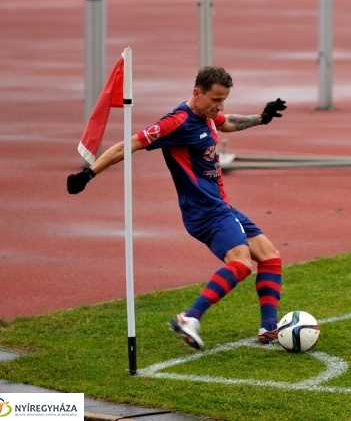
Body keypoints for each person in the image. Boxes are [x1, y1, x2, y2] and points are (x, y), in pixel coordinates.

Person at [66, 66, 288, 350]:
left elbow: (226, 122)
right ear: (197, 93)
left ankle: (269, 328)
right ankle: (189, 317)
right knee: (242, 263)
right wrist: (89, 173)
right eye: (215, 100)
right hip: (205, 211)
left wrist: (262, 118)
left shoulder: (206, 115)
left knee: (269, 256)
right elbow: (128, 145)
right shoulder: (177, 122)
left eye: (224, 99)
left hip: (221, 206)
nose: (220, 106)